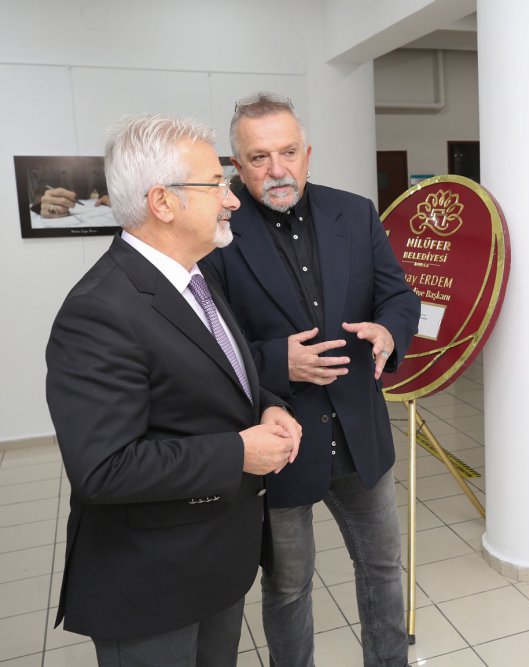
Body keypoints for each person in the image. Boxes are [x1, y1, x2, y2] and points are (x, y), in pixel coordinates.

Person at [45, 114, 303, 667]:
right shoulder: (98, 311)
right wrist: (239, 452)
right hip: (152, 583)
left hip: (216, 562)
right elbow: (103, 469)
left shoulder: (193, 277)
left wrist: (269, 406)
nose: (232, 199)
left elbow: (216, 377)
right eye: (216, 184)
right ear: (162, 202)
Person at [201, 93, 420, 667]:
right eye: (260, 157)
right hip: (282, 442)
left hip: (360, 433)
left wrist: (389, 330)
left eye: (289, 152)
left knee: (382, 570)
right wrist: (279, 362)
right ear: (237, 164)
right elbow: (208, 348)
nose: (278, 169)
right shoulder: (216, 234)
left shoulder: (356, 212)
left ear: (308, 153)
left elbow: (399, 295)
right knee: (289, 587)